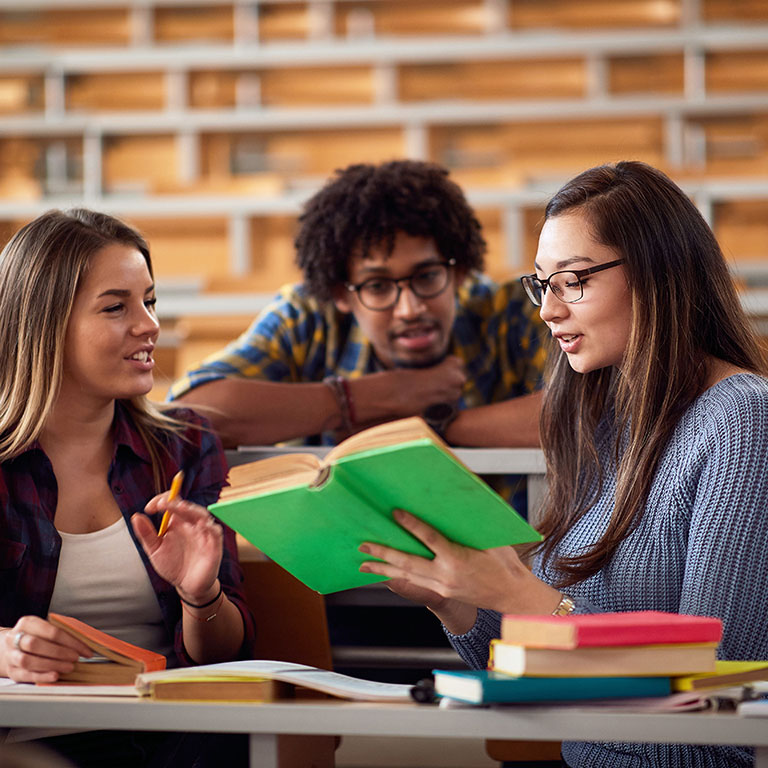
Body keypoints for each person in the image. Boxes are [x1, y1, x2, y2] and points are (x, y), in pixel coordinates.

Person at [357, 161, 768, 768]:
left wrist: (523, 594)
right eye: (542, 284)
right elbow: (537, 668)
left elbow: (720, 686)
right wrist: (455, 598)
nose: (548, 311)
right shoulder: (604, 422)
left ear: (658, 275)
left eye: (572, 281)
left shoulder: (741, 419)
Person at [0, 209, 256, 768]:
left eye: (150, 301)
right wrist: (3, 650)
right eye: (116, 307)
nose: (148, 325)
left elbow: (225, 654)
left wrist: (201, 593)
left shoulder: (186, 444)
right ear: (42, 327)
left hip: (173, 738)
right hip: (27, 742)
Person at [167, 159, 546, 454]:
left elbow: (592, 413)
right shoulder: (306, 320)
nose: (410, 309)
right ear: (340, 293)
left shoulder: (510, 310)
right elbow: (186, 418)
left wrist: (434, 423)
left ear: (461, 270)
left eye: (427, 276)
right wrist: (367, 397)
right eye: (378, 286)